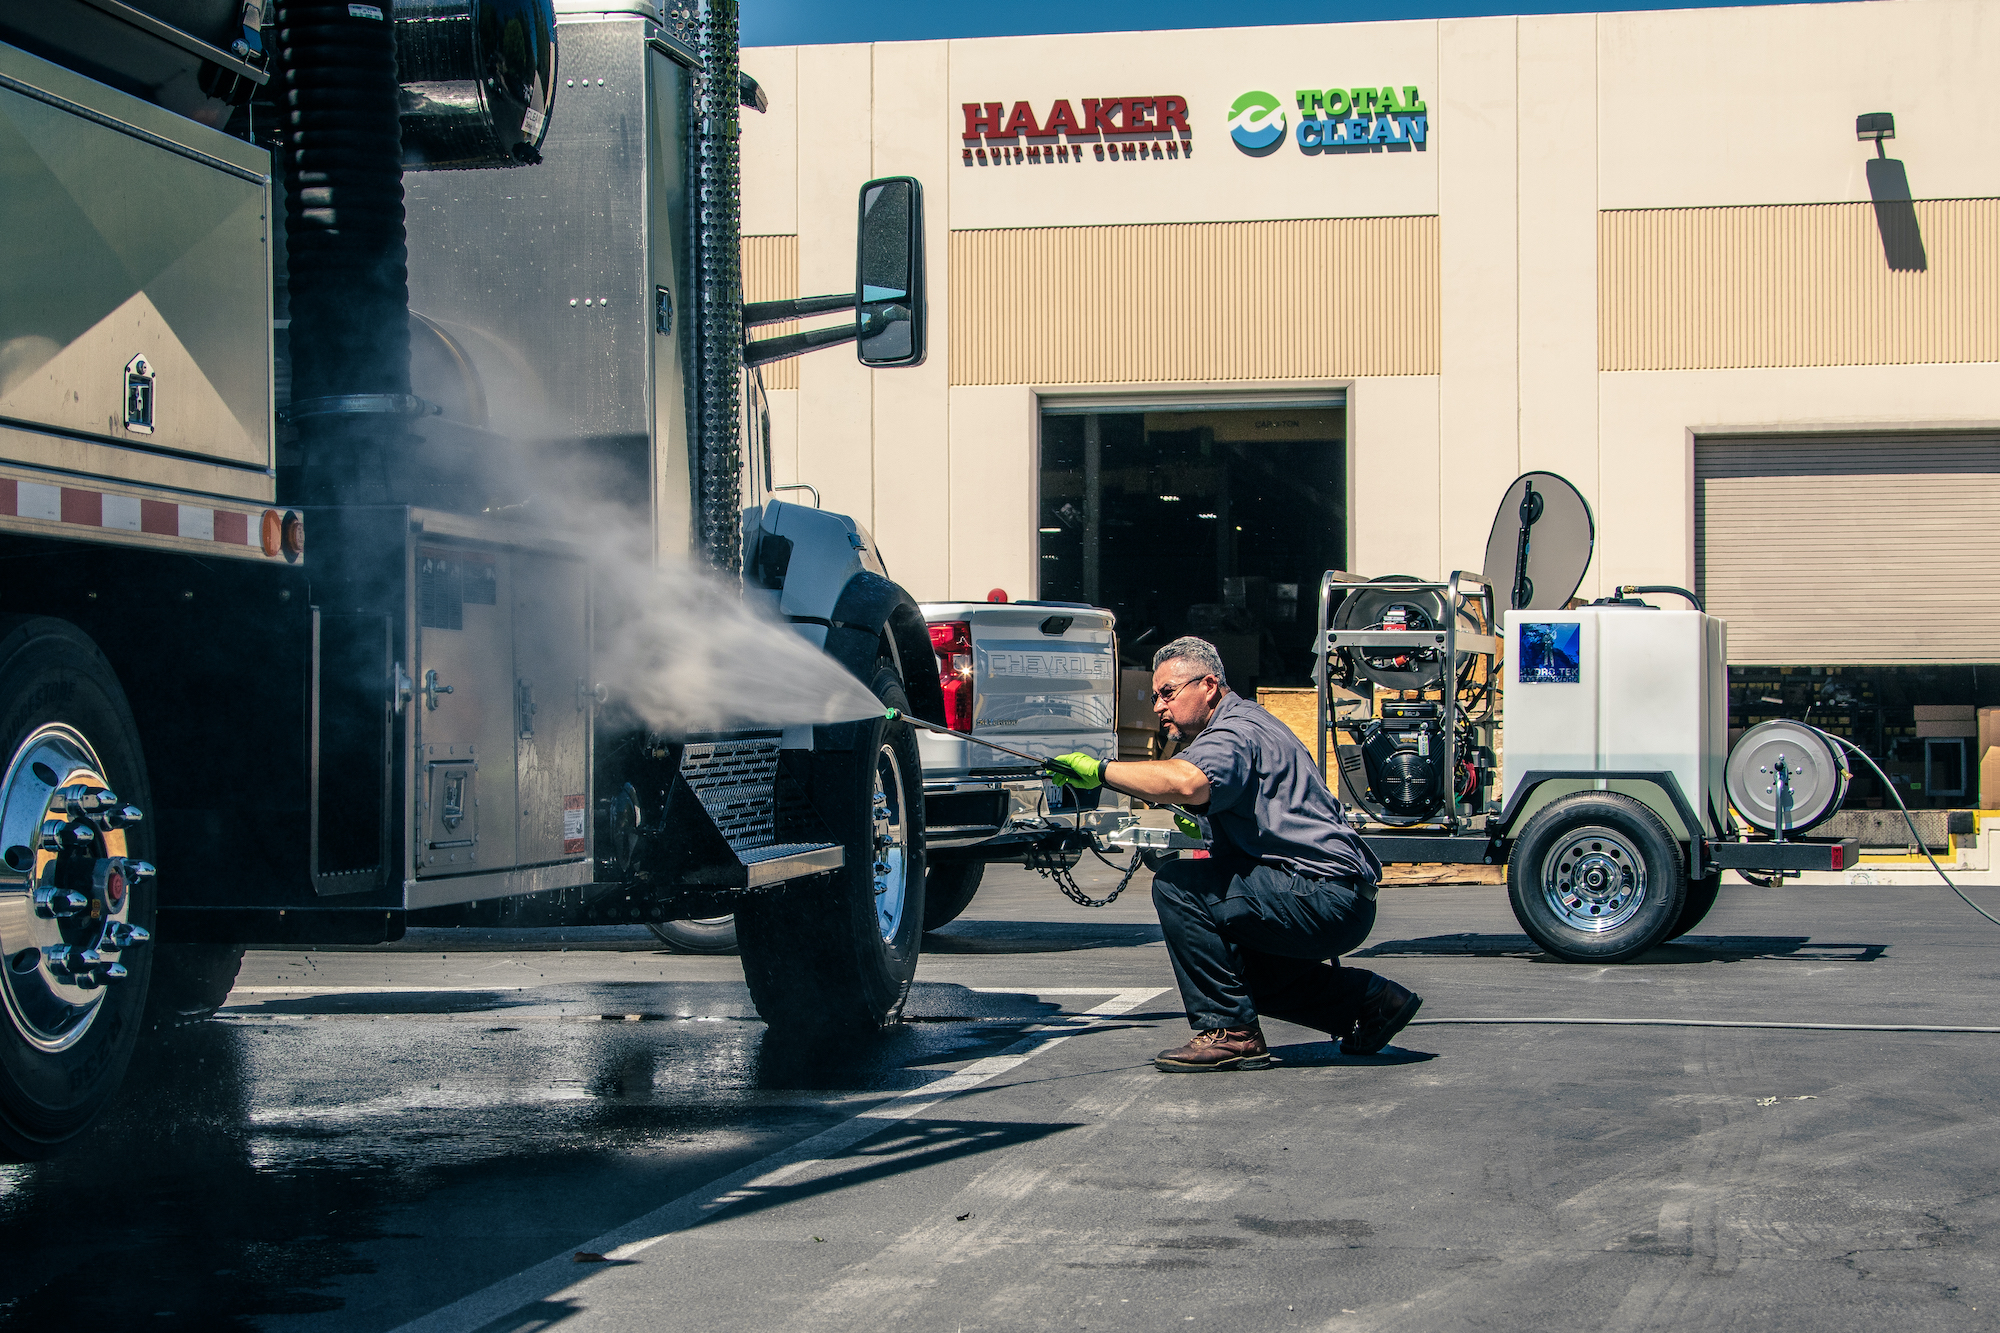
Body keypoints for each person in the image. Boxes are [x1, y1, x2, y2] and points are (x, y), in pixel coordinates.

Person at [1047, 636, 1421, 1071]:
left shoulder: (1233, 731)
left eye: (1167, 693)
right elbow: (1225, 799)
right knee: (1233, 973)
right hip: (1340, 898)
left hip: (1322, 895)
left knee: (1178, 887)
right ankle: (1374, 1002)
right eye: (1154, 697)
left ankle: (1231, 1033)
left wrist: (1102, 771)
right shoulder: (1250, 723)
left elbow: (1188, 782)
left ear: (1208, 685)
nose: (1157, 707)